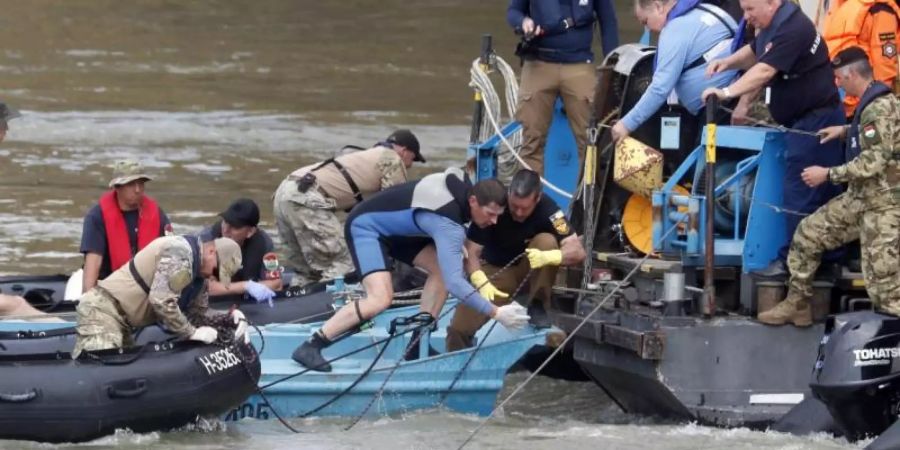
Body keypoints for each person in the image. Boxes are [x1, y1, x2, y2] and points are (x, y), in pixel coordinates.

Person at [291, 169, 531, 372]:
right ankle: (311, 345)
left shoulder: (463, 184)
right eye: (490, 215)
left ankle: (417, 341)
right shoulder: (449, 226)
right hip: (366, 228)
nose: (494, 222)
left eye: (499, 216)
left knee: (441, 268)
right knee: (379, 299)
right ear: (473, 202)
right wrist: (496, 313)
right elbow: (456, 284)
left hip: (398, 231)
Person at [701, 0, 845, 278]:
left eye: (750, 10)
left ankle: (796, 263)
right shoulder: (770, 23)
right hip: (799, 120)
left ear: (772, 3)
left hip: (817, 120)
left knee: (801, 194)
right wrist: (728, 62)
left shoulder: (793, 28)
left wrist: (727, 93)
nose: (746, 17)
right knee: (810, 192)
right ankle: (823, 260)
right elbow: (756, 52)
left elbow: (765, 70)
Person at [758, 47, 900, 326]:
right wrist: (845, 131)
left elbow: (874, 161)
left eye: (839, 78)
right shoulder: (877, 102)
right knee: (808, 234)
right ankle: (797, 303)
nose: (838, 84)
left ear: (851, 74)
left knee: (884, 288)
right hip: (861, 199)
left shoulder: (878, 107)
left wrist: (828, 174)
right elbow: (881, 137)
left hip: (884, 206)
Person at [446, 169, 586, 351]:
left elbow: (577, 250)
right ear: (509, 194)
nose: (519, 213)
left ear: (537, 199)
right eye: (514, 206)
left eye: (525, 208)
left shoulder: (551, 211)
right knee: (459, 328)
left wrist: (553, 256)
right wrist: (478, 278)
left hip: (532, 269)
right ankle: (458, 366)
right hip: (497, 271)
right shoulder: (496, 204)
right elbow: (471, 251)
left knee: (547, 241)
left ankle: (538, 303)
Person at [273, 129, 424, 287]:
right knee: (345, 260)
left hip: (285, 192)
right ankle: (329, 303)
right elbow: (393, 207)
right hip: (307, 198)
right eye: (413, 159)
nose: (410, 165)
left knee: (306, 269)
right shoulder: (392, 158)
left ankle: (298, 301)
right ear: (405, 151)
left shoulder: (361, 158)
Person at [72, 234, 245, 358]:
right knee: (102, 369)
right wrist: (190, 333)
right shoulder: (179, 252)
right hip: (103, 310)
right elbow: (161, 300)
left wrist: (228, 319)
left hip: (124, 324)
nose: (213, 277)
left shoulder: (200, 278)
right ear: (211, 251)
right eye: (216, 270)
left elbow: (198, 315)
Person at [507, 0, 619, 176]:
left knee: (591, 141)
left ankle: (587, 200)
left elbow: (608, 21)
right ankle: (530, 200)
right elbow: (514, 11)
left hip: (580, 64)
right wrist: (523, 22)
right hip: (538, 63)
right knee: (531, 142)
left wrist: (612, 66)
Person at [611, 0, 738, 143]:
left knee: (708, 164)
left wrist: (626, 124)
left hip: (720, 108)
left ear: (658, 7)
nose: (648, 29)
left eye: (645, 21)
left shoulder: (675, 30)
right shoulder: (706, 10)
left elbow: (660, 88)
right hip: (728, 100)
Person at [80, 160, 172, 293]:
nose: (137, 190)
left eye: (141, 183)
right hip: (110, 288)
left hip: (148, 289)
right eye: (130, 184)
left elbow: (170, 254)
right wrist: (87, 300)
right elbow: (93, 263)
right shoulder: (97, 217)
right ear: (117, 187)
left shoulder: (156, 214)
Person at [821, 0, 900, 117]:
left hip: (853, 102)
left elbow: (884, 66)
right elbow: (884, 67)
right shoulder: (879, 10)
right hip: (850, 102)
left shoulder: (875, 9)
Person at [204, 198, 282, 304]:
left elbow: (276, 284)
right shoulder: (207, 239)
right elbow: (206, 288)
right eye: (225, 222)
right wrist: (246, 286)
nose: (225, 230)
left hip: (244, 304)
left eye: (234, 227)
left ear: (250, 232)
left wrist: (250, 287)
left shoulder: (263, 243)